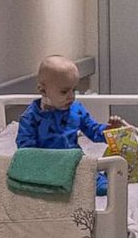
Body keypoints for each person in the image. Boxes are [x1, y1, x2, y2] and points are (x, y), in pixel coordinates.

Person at [17, 55, 130, 195]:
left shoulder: (76, 110)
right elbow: (26, 150)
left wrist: (109, 131)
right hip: (46, 165)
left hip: (75, 161)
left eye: (73, 90)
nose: (71, 96)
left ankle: (99, 178)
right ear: (43, 90)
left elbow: (93, 131)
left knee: (101, 186)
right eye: (64, 92)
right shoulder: (30, 118)